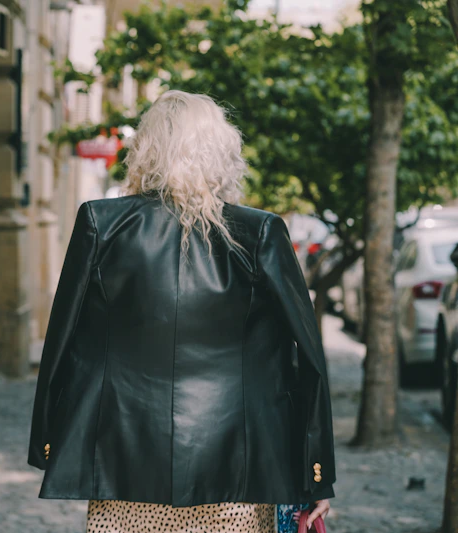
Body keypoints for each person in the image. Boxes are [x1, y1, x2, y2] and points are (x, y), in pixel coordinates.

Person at [29, 90, 335, 533]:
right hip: (236, 473)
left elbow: (63, 342)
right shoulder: (259, 233)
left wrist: (48, 442)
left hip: (123, 469)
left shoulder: (101, 223)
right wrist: (316, 470)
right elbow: (309, 358)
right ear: (223, 151)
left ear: (145, 150)